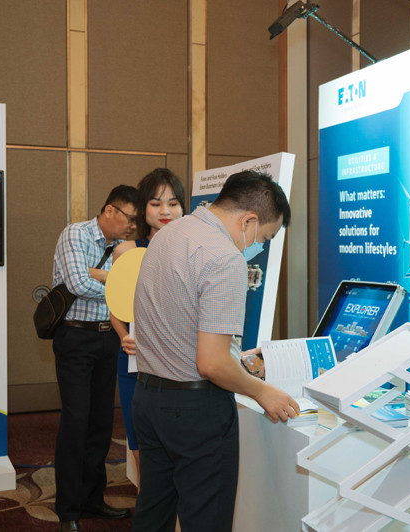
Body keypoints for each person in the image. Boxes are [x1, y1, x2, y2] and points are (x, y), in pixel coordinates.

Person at [131, 170, 300, 532]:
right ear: (248, 221)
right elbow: (211, 363)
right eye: (264, 237)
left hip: (148, 397)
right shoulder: (224, 258)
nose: (258, 247)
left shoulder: (168, 234)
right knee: (205, 519)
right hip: (195, 410)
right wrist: (262, 391)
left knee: (153, 512)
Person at [52, 185, 138, 532]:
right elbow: (77, 283)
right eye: (130, 219)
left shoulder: (122, 248)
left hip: (109, 338)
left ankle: (92, 498)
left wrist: (101, 274)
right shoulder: (76, 234)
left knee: (101, 423)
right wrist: (117, 281)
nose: (133, 227)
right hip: (75, 338)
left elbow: (130, 287)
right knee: (76, 421)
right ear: (110, 211)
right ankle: (68, 510)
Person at [109, 168, 186, 490]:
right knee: (142, 448)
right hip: (135, 362)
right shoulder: (126, 251)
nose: (165, 211)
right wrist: (123, 336)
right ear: (143, 209)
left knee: (179, 448)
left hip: (181, 365)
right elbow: (116, 305)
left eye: (173, 203)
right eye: (156, 203)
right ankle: (150, 508)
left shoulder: (192, 250)